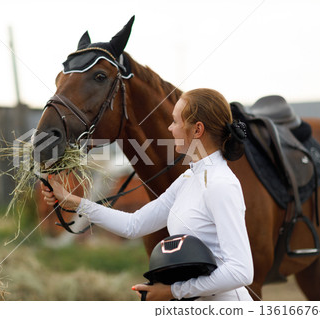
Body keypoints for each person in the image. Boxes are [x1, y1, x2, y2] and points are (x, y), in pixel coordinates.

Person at [41, 88, 254, 301]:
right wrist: (72, 200)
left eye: (176, 122)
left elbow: (241, 271)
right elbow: (134, 225)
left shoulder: (221, 184)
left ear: (197, 129)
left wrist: (172, 291)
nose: (171, 128)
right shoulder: (188, 180)